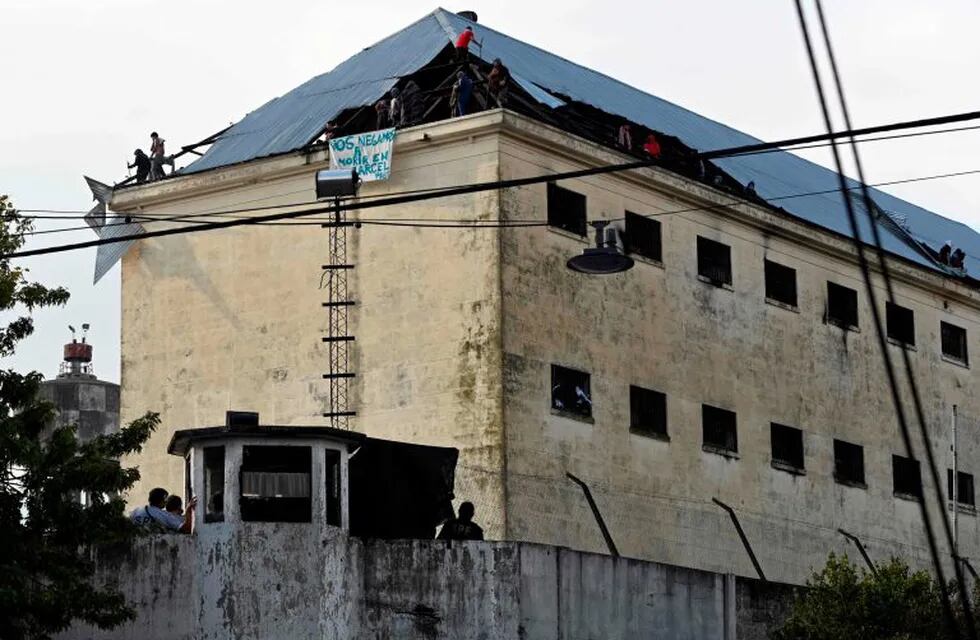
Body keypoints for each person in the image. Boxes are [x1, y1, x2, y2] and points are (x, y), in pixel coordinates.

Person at [131, 487, 195, 533]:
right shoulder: (162, 515)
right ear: (163, 499)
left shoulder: (136, 511)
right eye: (166, 499)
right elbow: (186, 529)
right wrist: (188, 511)